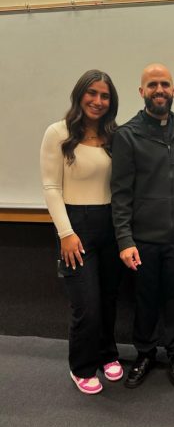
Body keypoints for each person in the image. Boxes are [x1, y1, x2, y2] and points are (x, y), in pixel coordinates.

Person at [111, 63, 174, 389]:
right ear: (141, 92)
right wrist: (124, 239)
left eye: (164, 84)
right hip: (143, 239)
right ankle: (145, 353)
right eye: (152, 85)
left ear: (173, 90)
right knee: (144, 299)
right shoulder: (126, 135)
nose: (158, 90)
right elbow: (119, 194)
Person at [40, 69, 123, 395]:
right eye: (92, 94)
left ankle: (108, 355)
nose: (98, 101)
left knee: (108, 300)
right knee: (86, 304)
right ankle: (82, 366)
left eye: (105, 96)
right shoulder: (58, 132)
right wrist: (66, 233)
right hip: (76, 226)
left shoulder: (115, 136)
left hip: (111, 224)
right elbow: (50, 186)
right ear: (80, 95)